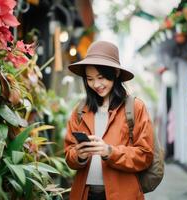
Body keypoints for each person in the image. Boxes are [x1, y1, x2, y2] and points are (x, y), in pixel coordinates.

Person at [64, 41, 154, 200]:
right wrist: (79, 155)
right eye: (90, 79)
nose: (96, 84)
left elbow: (145, 155)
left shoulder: (135, 108)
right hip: (85, 194)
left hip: (123, 194)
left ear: (116, 73)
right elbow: (69, 155)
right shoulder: (80, 110)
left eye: (101, 77)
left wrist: (110, 152)